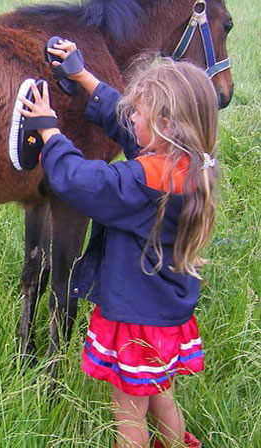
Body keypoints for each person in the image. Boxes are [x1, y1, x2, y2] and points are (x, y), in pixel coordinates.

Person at [19, 39, 219, 448]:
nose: (129, 117)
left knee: (128, 413)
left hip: (136, 322)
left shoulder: (144, 183)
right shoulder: (186, 162)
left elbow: (82, 181)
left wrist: (49, 130)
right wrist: (84, 77)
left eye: (138, 113)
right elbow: (127, 127)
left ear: (163, 125)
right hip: (164, 318)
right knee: (161, 395)